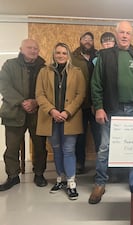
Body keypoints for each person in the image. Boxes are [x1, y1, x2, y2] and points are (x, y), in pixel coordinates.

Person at [89, 20, 133, 204]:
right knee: (104, 148)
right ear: (116, 35)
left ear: (132, 36)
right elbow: (96, 83)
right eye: (121, 32)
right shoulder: (105, 55)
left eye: (128, 33)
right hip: (111, 109)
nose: (124, 36)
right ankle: (100, 183)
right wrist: (99, 107)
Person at [35, 43, 86, 200]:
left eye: (64, 53)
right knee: (56, 150)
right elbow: (39, 94)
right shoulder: (44, 71)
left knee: (68, 150)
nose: (61, 55)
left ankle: (71, 183)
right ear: (53, 54)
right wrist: (52, 110)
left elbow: (80, 94)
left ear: (68, 55)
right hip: (50, 118)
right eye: (58, 52)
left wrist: (66, 112)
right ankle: (60, 179)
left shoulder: (76, 72)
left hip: (70, 118)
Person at [0, 39, 48, 191]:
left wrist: (36, 102)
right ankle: (13, 176)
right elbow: (4, 86)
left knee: (40, 146)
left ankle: (39, 173)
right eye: (29, 47)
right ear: (21, 49)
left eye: (35, 48)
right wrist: (22, 102)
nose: (33, 50)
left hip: (37, 113)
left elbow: (48, 90)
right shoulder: (9, 65)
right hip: (14, 112)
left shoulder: (44, 68)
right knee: (12, 147)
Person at [72, 32, 100, 174]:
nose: (88, 41)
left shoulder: (99, 56)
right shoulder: (72, 58)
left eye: (90, 39)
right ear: (80, 41)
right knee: (80, 136)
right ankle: (79, 163)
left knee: (99, 136)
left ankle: (101, 165)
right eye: (85, 39)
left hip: (97, 104)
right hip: (80, 105)